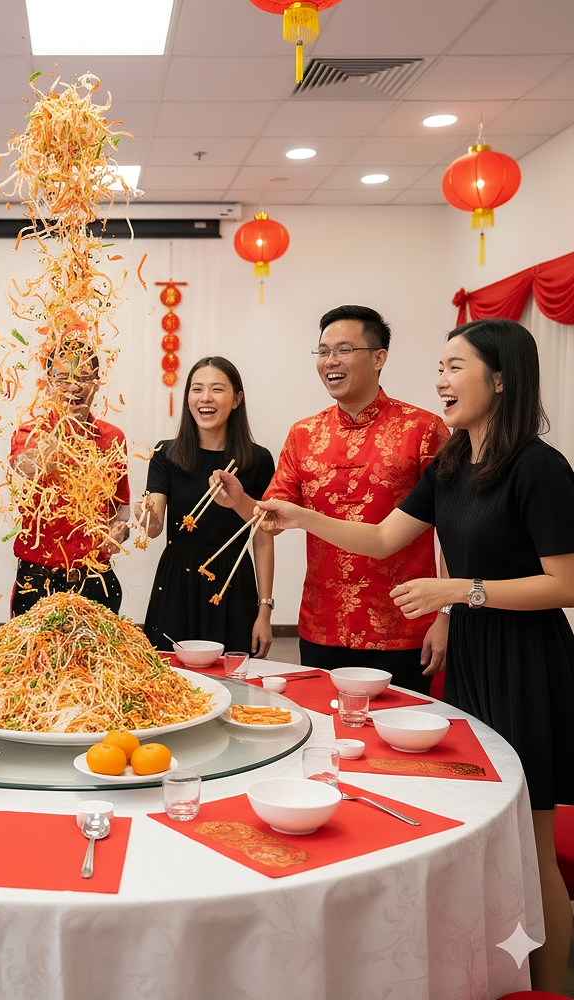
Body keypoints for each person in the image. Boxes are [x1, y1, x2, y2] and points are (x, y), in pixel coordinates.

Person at [255, 317, 574, 992]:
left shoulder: (539, 467)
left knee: (530, 836)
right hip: (476, 657)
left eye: (455, 367)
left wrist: (459, 591)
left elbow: (567, 585)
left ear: (501, 379)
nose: (440, 381)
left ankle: (549, 987)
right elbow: (378, 538)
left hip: (528, 664)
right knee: (480, 816)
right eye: (439, 367)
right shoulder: (454, 466)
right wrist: (301, 516)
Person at [214, 305, 449, 693]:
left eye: (343, 350)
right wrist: (240, 501)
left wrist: (445, 615)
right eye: (323, 352)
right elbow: (271, 518)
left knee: (403, 728)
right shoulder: (303, 434)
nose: (330, 361)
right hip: (322, 624)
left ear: (379, 358)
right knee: (325, 724)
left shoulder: (423, 430)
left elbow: (452, 528)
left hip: (404, 627)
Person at [137, 356, 275, 656]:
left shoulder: (258, 460)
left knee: (234, 674)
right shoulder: (166, 454)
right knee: (168, 674)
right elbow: (153, 527)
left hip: (232, 582)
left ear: (236, 399)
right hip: (176, 583)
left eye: (217, 389)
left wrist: (264, 611)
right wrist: (146, 515)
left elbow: (263, 537)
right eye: (197, 389)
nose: (205, 398)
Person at [9, 339, 130, 615]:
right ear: (48, 385)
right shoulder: (30, 434)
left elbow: (120, 510)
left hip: (95, 578)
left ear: (97, 383)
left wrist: (119, 531)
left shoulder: (113, 439)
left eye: (84, 378)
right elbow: (25, 466)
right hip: (38, 582)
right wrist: (59, 437)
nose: (74, 387)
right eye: (63, 379)